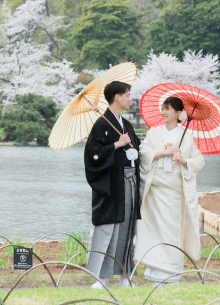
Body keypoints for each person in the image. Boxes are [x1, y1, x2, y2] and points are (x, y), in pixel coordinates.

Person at [133, 96, 205, 285]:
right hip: (155, 190)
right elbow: (143, 152)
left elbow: (199, 161)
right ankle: (154, 270)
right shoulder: (154, 133)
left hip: (173, 191)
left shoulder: (186, 136)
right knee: (153, 229)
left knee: (172, 230)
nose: (163, 112)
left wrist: (183, 160)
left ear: (178, 113)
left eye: (167, 109)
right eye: (162, 108)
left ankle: (171, 271)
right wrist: (163, 153)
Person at [84, 81, 141, 288]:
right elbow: (93, 156)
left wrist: (135, 152)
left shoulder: (126, 125)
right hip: (110, 185)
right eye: (127, 95)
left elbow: (136, 148)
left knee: (127, 231)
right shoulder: (101, 124)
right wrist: (117, 144)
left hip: (129, 183)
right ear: (117, 97)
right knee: (107, 230)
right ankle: (101, 277)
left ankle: (125, 275)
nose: (130, 99)